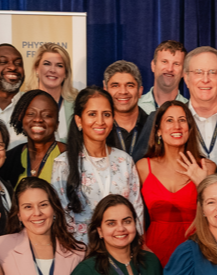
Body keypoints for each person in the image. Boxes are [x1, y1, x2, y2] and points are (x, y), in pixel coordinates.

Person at [49, 85, 145, 242]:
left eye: (106, 114)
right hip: (81, 250)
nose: (100, 121)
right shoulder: (64, 164)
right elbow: (61, 217)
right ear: (79, 120)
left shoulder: (124, 161)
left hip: (121, 248)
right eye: (92, 114)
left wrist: (136, 245)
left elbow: (136, 211)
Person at [137, 99, 214, 265]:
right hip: (152, 253)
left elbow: (216, 215)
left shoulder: (207, 167)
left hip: (196, 252)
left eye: (182, 120)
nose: (177, 126)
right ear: (158, 130)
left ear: (190, 128)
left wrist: (202, 185)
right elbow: (135, 214)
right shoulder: (143, 167)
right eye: (169, 120)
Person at [0, 89, 65, 186]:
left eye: (47, 115)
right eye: (31, 114)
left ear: (57, 124)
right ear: (21, 119)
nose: (38, 119)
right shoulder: (8, 159)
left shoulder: (70, 156)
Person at [104, 60, 154, 160]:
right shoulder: (99, 128)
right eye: (115, 86)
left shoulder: (154, 127)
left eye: (130, 85)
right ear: (106, 91)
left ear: (140, 91)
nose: (123, 91)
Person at [27, 43, 78, 121]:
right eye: (47, 64)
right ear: (36, 68)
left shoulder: (76, 104)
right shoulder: (22, 101)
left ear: (66, 73)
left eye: (59, 65)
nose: (52, 70)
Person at [138, 40, 186, 111]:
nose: (170, 69)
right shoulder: (136, 106)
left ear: (183, 71)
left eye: (176, 64)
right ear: (153, 65)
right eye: (164, 62)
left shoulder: (189, 110)